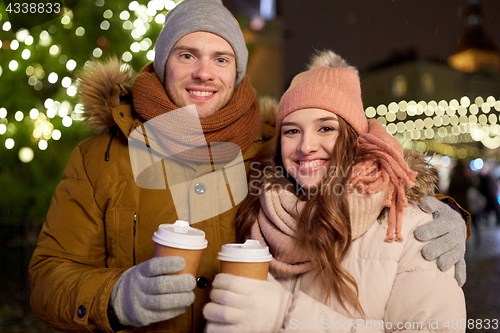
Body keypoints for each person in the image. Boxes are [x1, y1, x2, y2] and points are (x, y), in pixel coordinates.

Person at [28, 0, 467, 331]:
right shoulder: (100, 158)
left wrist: (441, 210)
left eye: (221, 59)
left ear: (237, 72)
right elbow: (48, 275)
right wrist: (113, 298)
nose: (204, 73)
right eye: (187, 55)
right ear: (163, 64)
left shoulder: (270, 146)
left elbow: (362, 173)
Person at [203, 51, 466, 332]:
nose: (306, 146)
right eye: (292, 131)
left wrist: (286, 316)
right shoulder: (258, 214)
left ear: (356, 139)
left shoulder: (415, 229)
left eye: (326, 128)